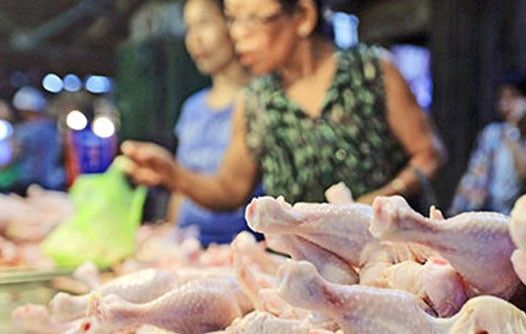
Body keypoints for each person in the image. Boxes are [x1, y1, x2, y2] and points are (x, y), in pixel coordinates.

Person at [122, 0, 444, 213]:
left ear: (303, 16)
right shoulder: (255, 101)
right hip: (304, 270)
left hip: (389, 255)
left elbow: (428, 154)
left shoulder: (372, 71)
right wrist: (173, 174)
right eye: (233, 21)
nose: (237, 36)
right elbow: (230, 189)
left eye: (251, 20)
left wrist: (381, 200)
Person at [169, 0, 253, 246]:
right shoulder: (191, 109)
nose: (195, 39)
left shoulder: (260, 103)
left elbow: (232, 191)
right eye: (188, 28)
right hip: (190, 248)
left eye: (204, 23)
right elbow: (179, 192)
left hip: (243, 249)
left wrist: (168, 172)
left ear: (232, 23)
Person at [448, 71, 526, 216]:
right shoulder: (492, 133)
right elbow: (473, 177)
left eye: (512, 97)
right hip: (485, 214)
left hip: (523, 218)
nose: (505, 104)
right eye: (502, 98)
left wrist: (513, 130)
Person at [2, 87, 65, 194]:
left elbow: (14, 154)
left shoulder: (25, 131)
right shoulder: (51, 128)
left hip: (27, 184)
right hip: (52, 182)